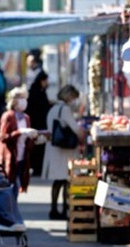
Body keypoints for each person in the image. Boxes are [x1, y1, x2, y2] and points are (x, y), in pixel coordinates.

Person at [0, 86, 36, 227]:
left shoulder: (26, 118)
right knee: (9, 188)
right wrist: (19, 132)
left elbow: (28, 141)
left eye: (25, 98)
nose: (23, 101)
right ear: (14, 101)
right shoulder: (8, 116)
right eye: (20, 98)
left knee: (16, 187)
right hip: (9, 158)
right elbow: (3, 137)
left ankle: (11, 216)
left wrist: (34, 137)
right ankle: (9, 217)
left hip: (21, 157)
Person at [43, 85, 84, 220]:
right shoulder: (65, 109)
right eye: (74, 97)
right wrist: (83, 133)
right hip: (64, 150)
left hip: (54, 148)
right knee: (66, 179)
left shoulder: (53, 108)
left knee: (57, 180)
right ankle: (65, 209)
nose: (74, 101)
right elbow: (76, 128)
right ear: (69, 96)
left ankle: (53, 208)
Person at [26, 71, 52, 176]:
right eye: (46, 81)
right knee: (37, 147)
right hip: (37, 124)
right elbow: (40, 107)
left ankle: (38, 167)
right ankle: (37, 168)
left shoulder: (38, 91)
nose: (47, 83)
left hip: (38, 123)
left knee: (39, 146)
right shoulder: (36, 92)